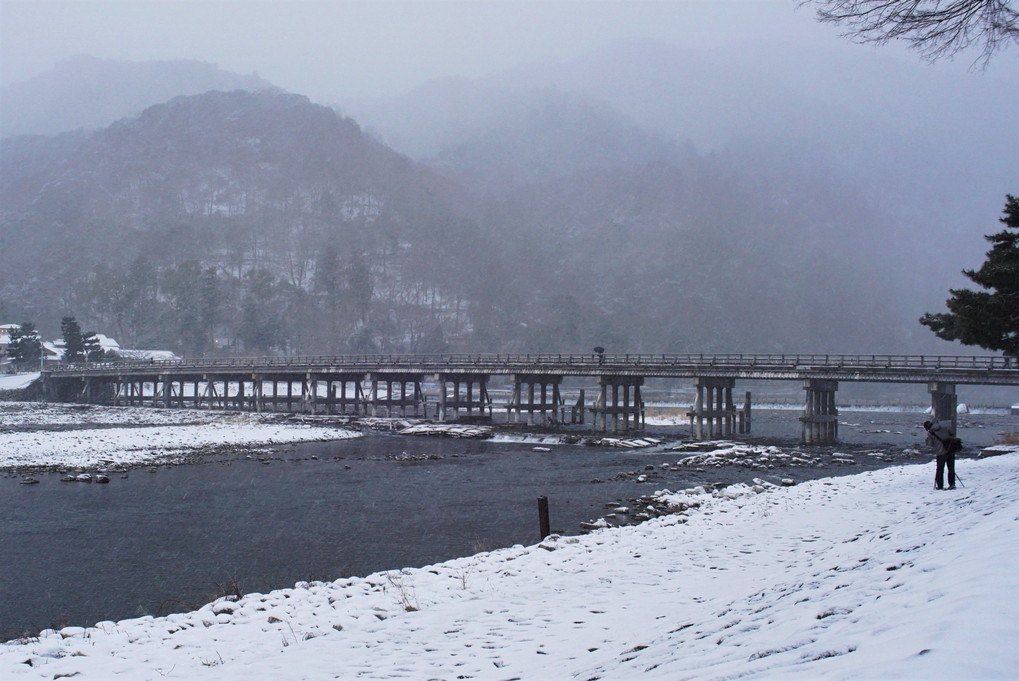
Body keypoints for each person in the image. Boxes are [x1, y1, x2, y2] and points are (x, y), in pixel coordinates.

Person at [923, 420, 956, 490]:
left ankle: (940, 486)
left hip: (941, 453)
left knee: (940, 470)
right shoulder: (943, 427)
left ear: (927, 428)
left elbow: (930, 444)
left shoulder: (930, 433)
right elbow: (952, 433)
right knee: (951, 468)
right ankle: (952, 484)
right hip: (950, 450)